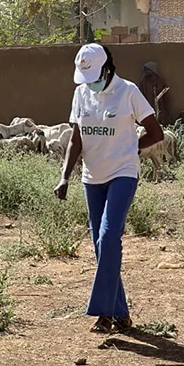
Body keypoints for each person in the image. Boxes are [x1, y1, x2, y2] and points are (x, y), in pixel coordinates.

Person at [53, 43, 165, 334]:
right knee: (101, 245)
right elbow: (76, 139)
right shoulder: (81, 94)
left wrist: (131, 150)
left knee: (109, 235)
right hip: (92, 177)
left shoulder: (128, 92)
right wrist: (64, 176)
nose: (89, 83)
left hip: (122, 173)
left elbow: (156, 132)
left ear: (106, 68)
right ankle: (122, 314)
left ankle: (103, 313)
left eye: (93, 76)